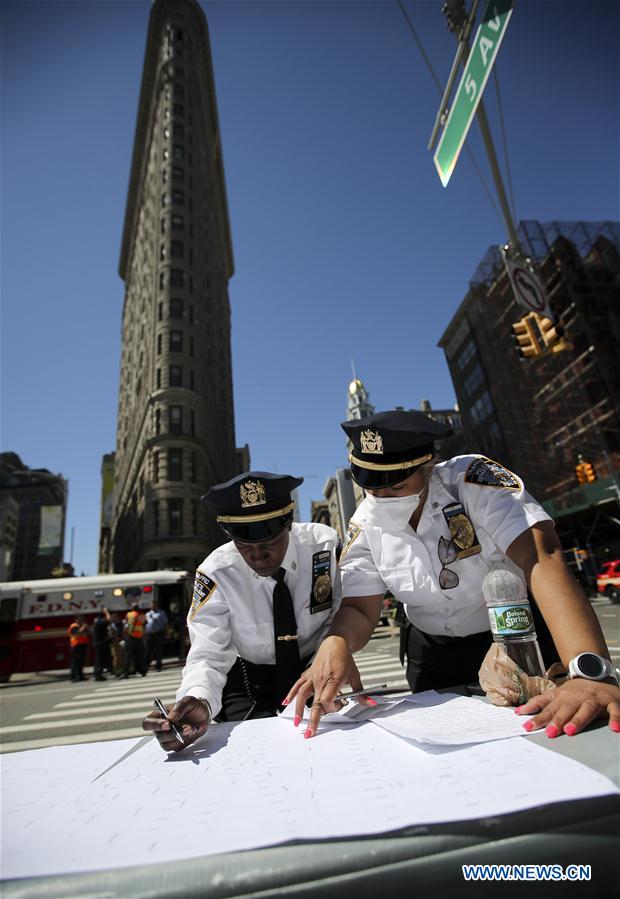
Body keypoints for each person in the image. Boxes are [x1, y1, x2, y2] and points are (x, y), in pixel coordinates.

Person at [287, 410, 620, 739]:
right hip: (433, 654)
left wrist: (589, 673)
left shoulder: (472, 480)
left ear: (428, 467)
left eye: (397, 486)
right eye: (372, 489)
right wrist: (337, 641)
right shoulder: (365, 523)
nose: (381, 497)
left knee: (544, 733)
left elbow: (541, 557)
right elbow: (360, 609)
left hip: (514, 635)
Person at [142, 471, 341, 751]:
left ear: (288, 524)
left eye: (268, 541)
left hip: (315, 667)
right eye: (244, 544)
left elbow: (339, 615)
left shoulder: (323, 548)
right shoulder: (216, 573)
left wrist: (326, 665)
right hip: (249, 681)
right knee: (249, 752)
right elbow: (209, 652)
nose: (257, 554)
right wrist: (198, 699)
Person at [123, 603, 147, 678]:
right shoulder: (142, 616)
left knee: (128, 655)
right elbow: (144, 626)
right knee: (140, 655)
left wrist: (125, 635)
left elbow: (126, 625)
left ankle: (126, 673)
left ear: (132, 608)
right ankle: (143, 671)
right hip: (139, 638)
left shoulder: (129, 615)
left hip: (131, 638)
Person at [145, 600, 168, 671]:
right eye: (151, 605)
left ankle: (158, 665)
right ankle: (146, 665)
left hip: (158, 633)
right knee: (148, 650)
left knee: (158, 650)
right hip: (149, 634)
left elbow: (165, 623)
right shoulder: (148, 614)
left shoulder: (161, 613)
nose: (152, 606)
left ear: (156, 605)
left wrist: (167, 632)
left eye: (153, 605)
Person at [67, 615, 90, 682]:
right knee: (75, 662)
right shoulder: (74, 626)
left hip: (82, 644)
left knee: (81, 661)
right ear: (76, 619)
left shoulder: (82, 626)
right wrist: (83, 628)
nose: (82, 620)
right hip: (76, 645)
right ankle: (73, 677)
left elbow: (88, 633)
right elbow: (77, 633)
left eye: (82, 619)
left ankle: (80, 675)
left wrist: (85, 628)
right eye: (80, 619)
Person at [92, 607, 111, 681]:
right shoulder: (100, 621)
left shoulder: (97, 620)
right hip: (100, 643)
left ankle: (98, 674)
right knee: (99, 659)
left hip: (98, 642)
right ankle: (98, 675)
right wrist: (106, 612)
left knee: (100, 659)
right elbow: (108, 620)